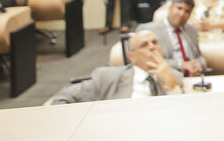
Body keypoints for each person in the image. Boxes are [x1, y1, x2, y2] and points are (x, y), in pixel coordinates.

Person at [52, 29, 183, 103]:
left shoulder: (175, 77)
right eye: (144, 45)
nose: (152, 47)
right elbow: (63, 98)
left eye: (155, 42)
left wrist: (172, 87)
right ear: (132, 57)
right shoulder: (108, 77)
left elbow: (183, 116)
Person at [138, 0, 206, 77]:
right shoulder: (149, 30)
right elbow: (147, 59)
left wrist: (199, 64)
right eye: (179, 8)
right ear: (170, 8)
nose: (182, 14)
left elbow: (199, 57)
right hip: (164, 78)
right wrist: (181, 64)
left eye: (187, 11)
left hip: (193, 78)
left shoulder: (192, 30)